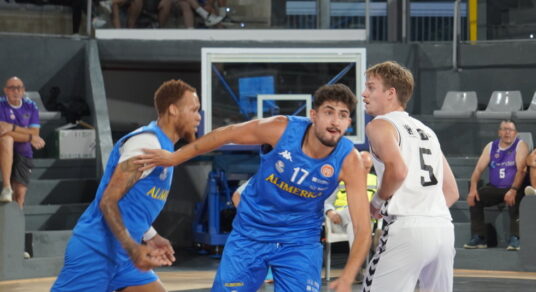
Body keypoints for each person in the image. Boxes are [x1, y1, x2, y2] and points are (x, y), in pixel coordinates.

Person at [137, 84, 371, 292]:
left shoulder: (349, 161)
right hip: (251, 232)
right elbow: (227, 134)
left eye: (343, 115)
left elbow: (362, 228)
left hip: (299, 241)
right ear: (313, 115)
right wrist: (176, 157)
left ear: (349, 123)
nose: (335, 121)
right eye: (329, 112)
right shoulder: (280, 129)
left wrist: (347, 278)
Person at [52, 79, 200, 292]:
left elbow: (131, 203)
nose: (198, 116)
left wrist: (151, 236)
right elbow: (108, 201)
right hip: (97, 250)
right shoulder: (146, 145)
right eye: (193, 109)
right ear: (173, 110)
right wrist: (133, 248)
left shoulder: (164, 149)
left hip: (123, 255)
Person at [360, 61, 458, 292]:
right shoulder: (427, 131)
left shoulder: (380, 125)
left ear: (390, 93)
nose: (364, 93)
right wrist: (425, 210)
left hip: (406, 227)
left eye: (371, 87)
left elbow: (398, 171)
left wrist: (375, 203)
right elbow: (452, 191)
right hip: (442, 228)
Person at [464, 119, 528, 251]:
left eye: (510, 130)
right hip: (495, 187)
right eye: (504, 129)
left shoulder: (520, 145)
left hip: (512, 187)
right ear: (499, 132)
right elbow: (477, 170)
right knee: (475, 198)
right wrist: (472, 189)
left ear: (515, 133)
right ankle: (479, 237)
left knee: (515, 200)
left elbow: (522, 170)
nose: (507, 132)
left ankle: (515, 238)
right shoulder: (491, 146)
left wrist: (514, 189)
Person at [0, 77, 45, 207]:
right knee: (6, 139)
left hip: (23, 152)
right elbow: (2, 132)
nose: (16, 91)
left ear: (23, 90)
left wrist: (12, 127)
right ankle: (7, 187)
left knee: (19, 195)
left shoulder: (30, 105)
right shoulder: (1, 104)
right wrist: (29, 137)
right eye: (12, 88)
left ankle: (16, 225)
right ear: (5, 91)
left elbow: (35, 133)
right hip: (2, 148)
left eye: (19, 88)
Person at [324, 151, 377, 249]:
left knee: (354, 222)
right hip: (338, 220)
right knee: (353, 211)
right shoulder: (343, 178)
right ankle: (358, 261)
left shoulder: (375, 181)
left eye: (367, 168)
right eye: (361, 166)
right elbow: (326, 202)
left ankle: (356, 262)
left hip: (364, 222)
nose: (364, 171)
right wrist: (331, 213)